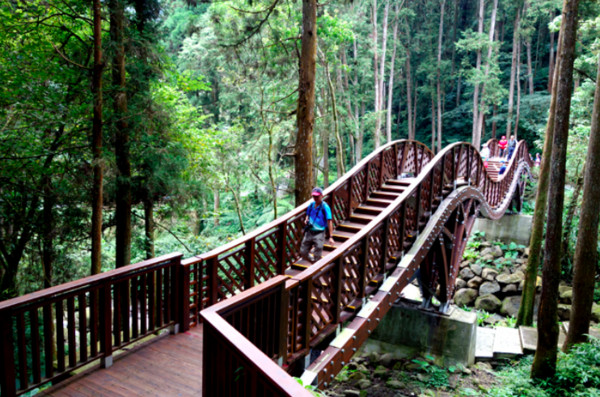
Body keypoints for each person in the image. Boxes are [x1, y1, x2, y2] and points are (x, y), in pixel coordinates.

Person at [300, 187, 335, 263]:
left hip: (319, 233)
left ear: (322, 196)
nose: (315, 198)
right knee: (303, 252)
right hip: (309, 231)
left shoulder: (325, 206)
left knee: (317, 252)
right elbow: (308, 214)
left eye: (317, 196)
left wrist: (331, 236)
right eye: (314, 196)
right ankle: (315, 263)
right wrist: (306, 219)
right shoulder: (311, 204)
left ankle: (316, 267)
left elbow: (329, 221)